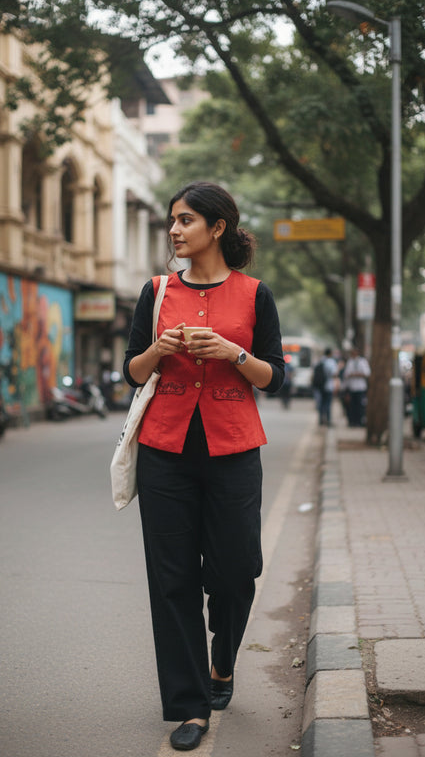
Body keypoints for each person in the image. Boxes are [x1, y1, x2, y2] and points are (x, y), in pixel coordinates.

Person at [123, 181, 284, 751]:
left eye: (186, 220)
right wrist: (159, 351)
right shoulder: (156, 290)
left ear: (216, 228)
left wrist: (233, 354)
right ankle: (189, 707)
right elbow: (133, 371)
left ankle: (223, 661)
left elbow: (275, 374)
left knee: (236, 570)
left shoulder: (254, 293)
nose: (174, 230)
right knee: (173, 581)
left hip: (234, 448)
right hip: (165, 451)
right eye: (172, 220)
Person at [343, 346, 370, 426]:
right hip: (352, 388)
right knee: (352, 406)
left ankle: (360, 421)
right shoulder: (350, 362)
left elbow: (367, 373)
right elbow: (346, 374)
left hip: (360, 388)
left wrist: (356, 374)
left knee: (360, 406)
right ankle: (352, 422)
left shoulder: (362, 361)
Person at [317, 347, 338, 426]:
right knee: (328, 403)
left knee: (321, 403)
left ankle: (321, 420)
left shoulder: (321, 360)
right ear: (330, 354)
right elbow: (334, 373)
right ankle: (328, 420)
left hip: (320, 385)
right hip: (328, 385)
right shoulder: (331, 361)